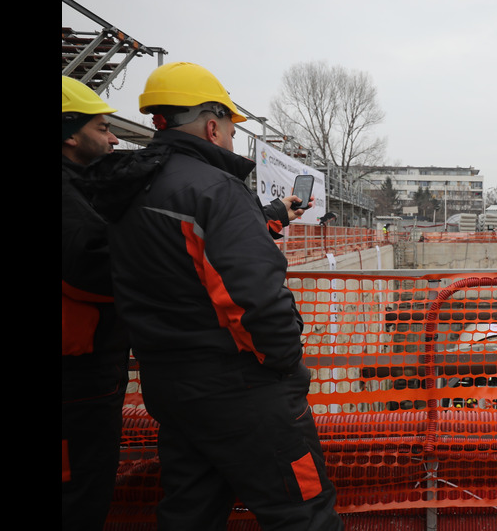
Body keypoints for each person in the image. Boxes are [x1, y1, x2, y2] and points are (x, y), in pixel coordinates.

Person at [83, 62, 343, 531]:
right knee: (303, 512)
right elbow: (256, 301)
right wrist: (284, 366)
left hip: (170, 384)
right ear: (211, 124)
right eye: (228, 128)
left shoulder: (131, 187)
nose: (228, 138)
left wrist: (269, 216)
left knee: (191, 511)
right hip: (240, 388)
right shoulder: (215, 189)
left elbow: (181, 258)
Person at [62, 76, 130, 531]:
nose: (114, 137)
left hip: (82, 359)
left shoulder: (79, 188)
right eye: (103, 127)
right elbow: (90, 270)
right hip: (79, 369)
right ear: (70, 133)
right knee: (82, 485)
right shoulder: (68, 195)